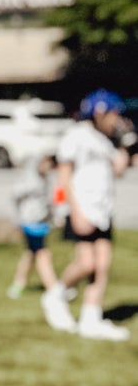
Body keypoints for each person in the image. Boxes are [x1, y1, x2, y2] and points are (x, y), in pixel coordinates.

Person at [43, 91, 132, 341]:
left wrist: (125, 142)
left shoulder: (106, 140)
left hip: (102, 210)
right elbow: (63, 175)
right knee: (86, 263)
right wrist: (69, 210)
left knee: (102, 265)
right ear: (99, 112)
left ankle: (90, 318)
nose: (116, 118)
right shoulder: (77, 135)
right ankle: (56, 294)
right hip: (81, 208)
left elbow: (119, 169)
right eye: (113, 113)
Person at [7, 152, 59, 299]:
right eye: (47, 162)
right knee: (43, 254)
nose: (49, 166)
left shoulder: (46, 180)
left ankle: (18, 284)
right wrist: (19, 219)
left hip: (42, 223)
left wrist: (54, 217)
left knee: (30, 255)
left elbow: (49, 202)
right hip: (29, 223)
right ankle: (53, 288)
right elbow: (15, 197)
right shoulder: (29, 181)